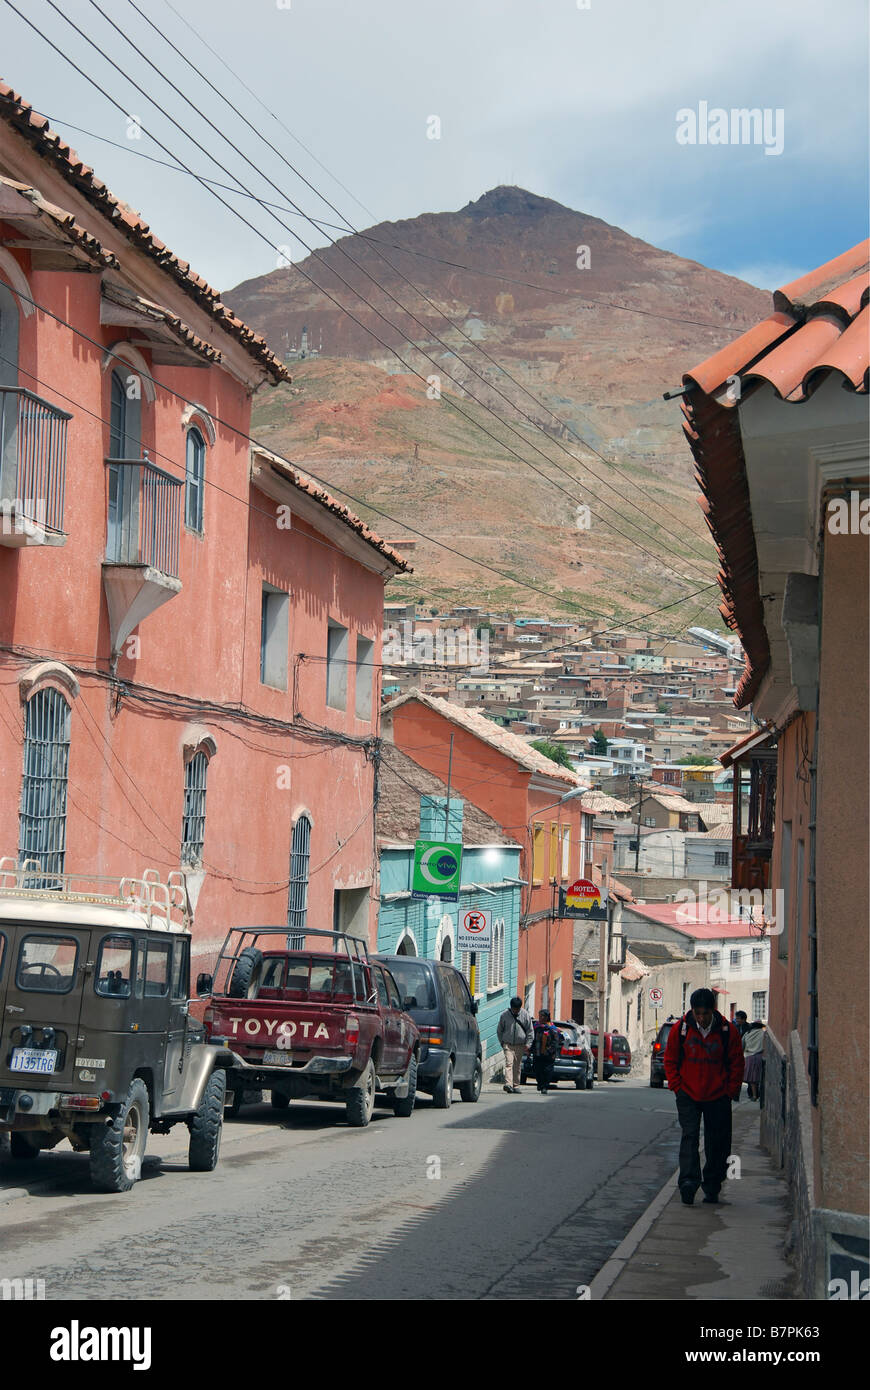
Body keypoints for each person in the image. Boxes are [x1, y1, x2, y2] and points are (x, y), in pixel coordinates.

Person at [664, 987, 744, 1205]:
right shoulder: (680, 1030)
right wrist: (677, 1086)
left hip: (718, 1096)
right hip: (688, 1093)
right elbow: (670, 1060)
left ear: (713, 1011)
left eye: (705, 1014)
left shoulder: (729, 1031)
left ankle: (712, 1185)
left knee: (716, 1142)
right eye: (697, 1013)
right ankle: (688, 1183)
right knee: (689, 1137)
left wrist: (730, 1091)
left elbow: (737, 1063)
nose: (701, 1018)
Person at [497, 995, 533, 1093]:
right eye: (514, 1009)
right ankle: (508, 1084)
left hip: (520, 1044)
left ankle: (516, 1085)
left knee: (517, 1066)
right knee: (509, 1063)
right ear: (511, 1007)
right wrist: (502, 1042)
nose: (516, 1011)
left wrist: (528, 1044)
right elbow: (500, 1030)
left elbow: (530, 1031)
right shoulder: (504, 1015)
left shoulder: (525, 1015)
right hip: (508, 1044)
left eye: (517, 1009)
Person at [530, 1008, 562, 1094]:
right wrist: (530, 1049)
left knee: (547, 1071)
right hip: (538, 1053)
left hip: (549, 1055)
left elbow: (555, 1042)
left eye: (542, 1016)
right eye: (539, 1016)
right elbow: (532, 1039)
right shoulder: (536, 1027)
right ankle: (540, 1083)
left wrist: (549, 1051)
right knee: (537, 1070)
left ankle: (544, 1086)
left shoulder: (552, 1029)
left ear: (546, 1017)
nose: (540, 1018)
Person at [742, 1020, 765, 1100]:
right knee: (760, 1077)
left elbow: (742, 1045)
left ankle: (754, 1095)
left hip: (749, 1057)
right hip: (760, 1056)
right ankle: (759, 1095)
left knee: (752, 1079)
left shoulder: (747, 1034)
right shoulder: (763, 1033)